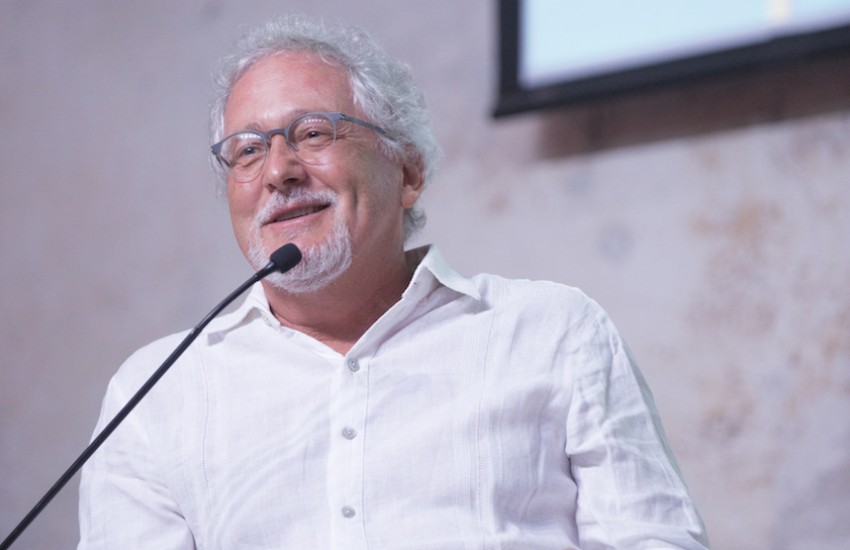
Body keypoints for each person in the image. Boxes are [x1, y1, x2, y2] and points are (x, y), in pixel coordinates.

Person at [78, 13, 710, 550]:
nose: (278, 170)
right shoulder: (155, 393)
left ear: (406, 170)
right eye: (247, 150)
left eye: (313, 133)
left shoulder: (552, 332)